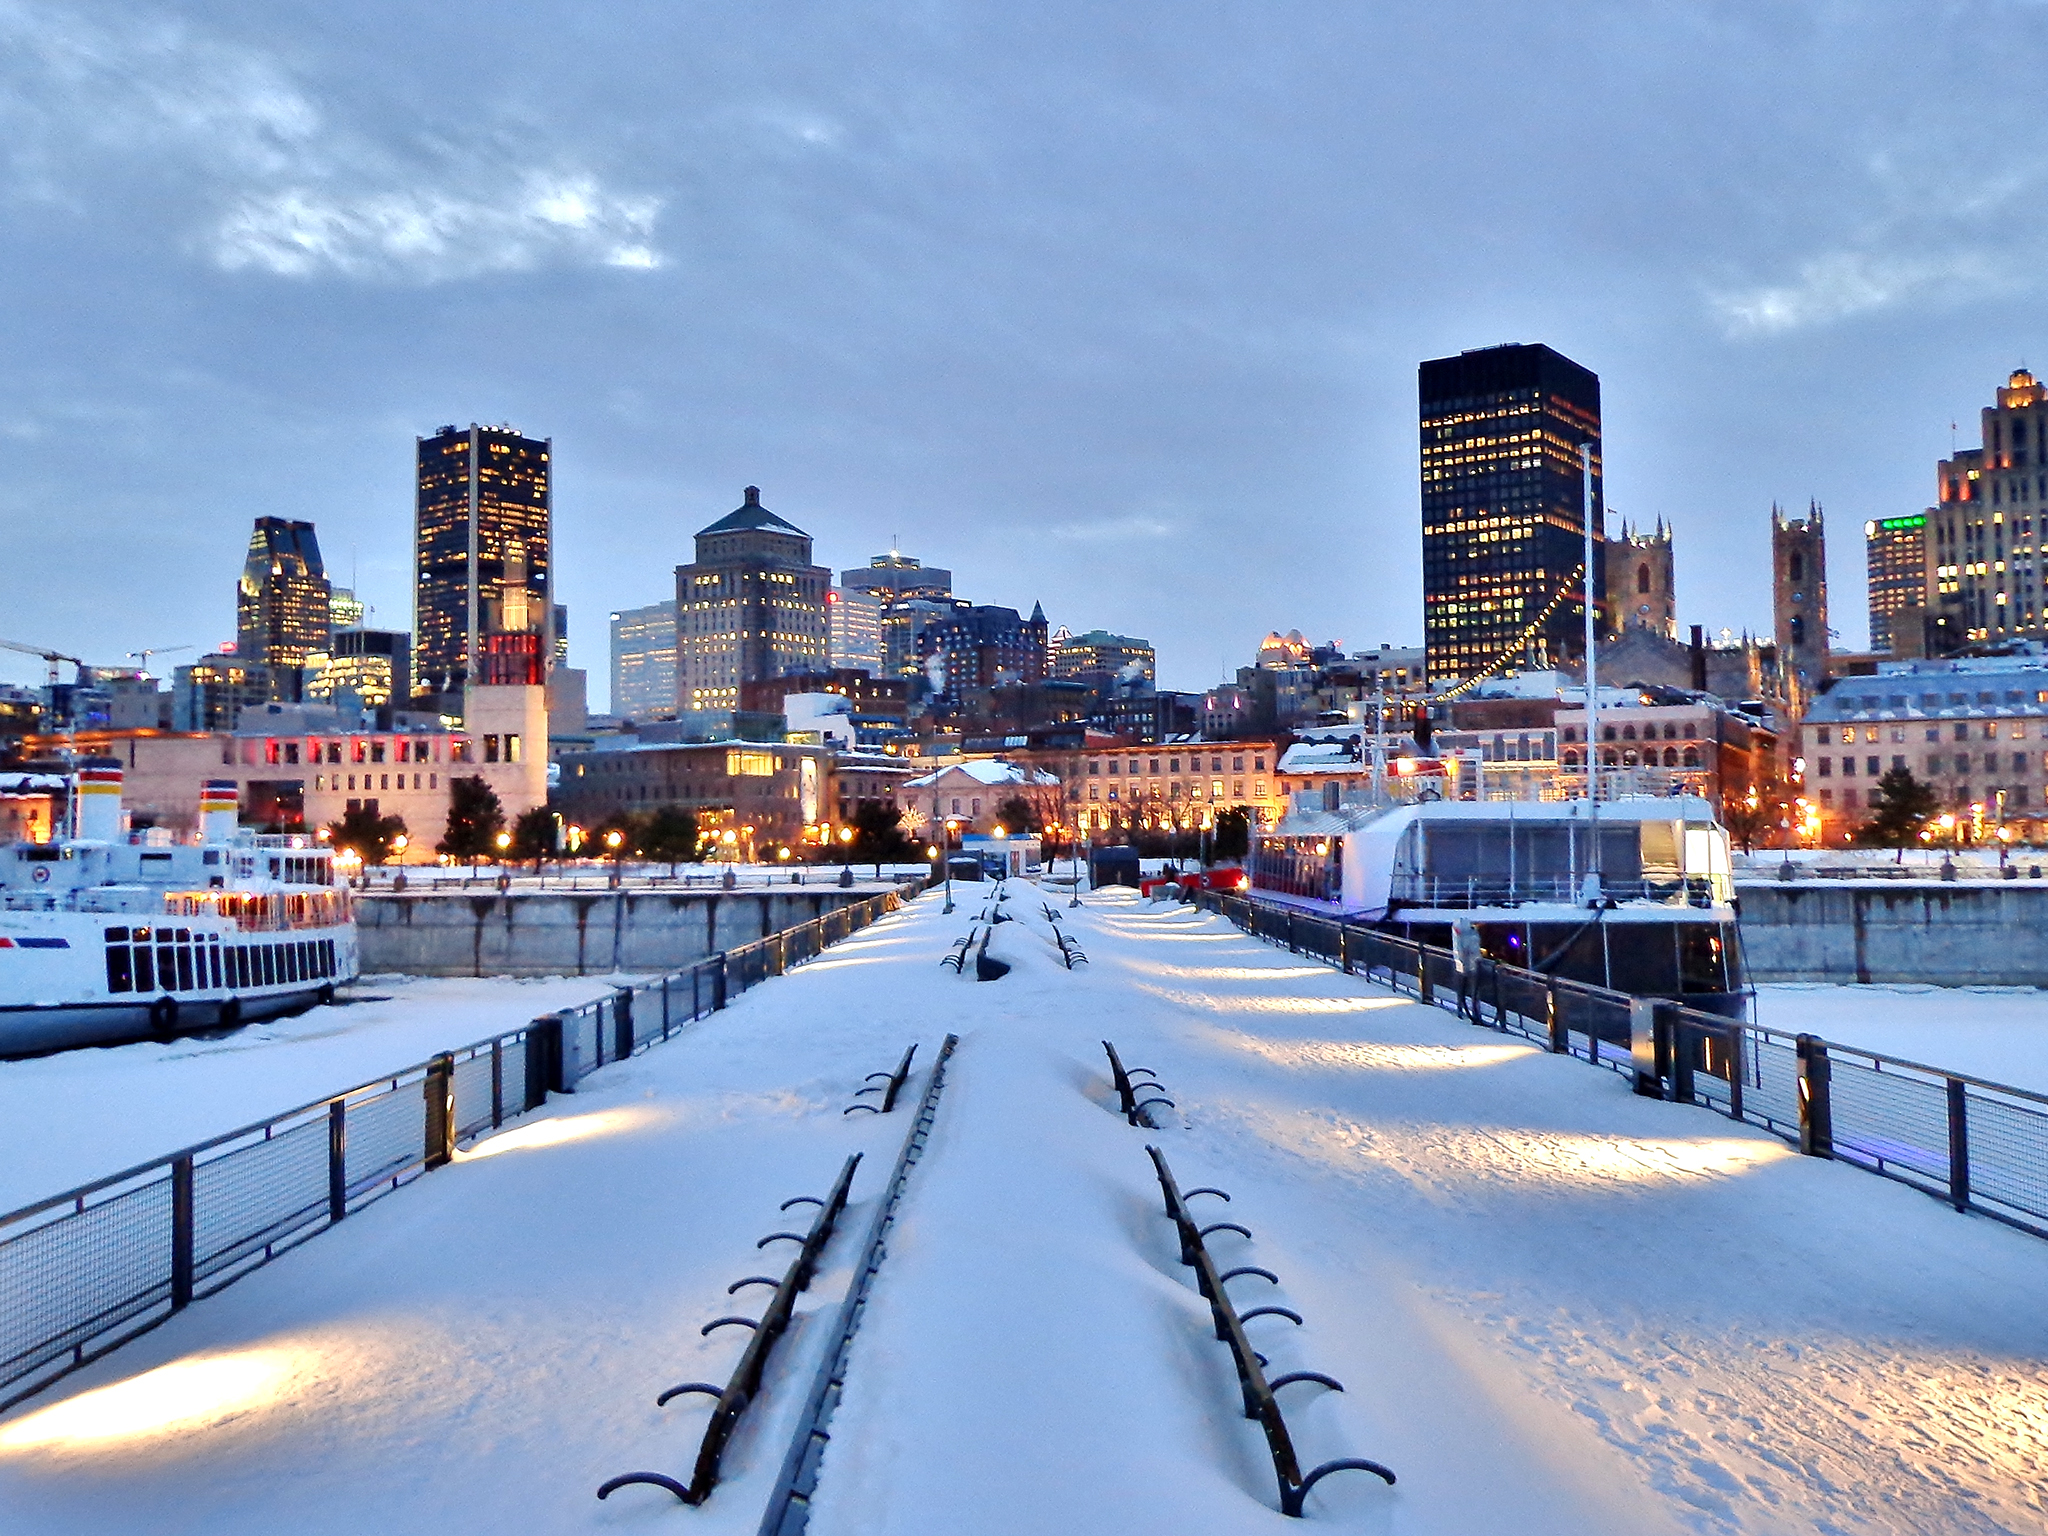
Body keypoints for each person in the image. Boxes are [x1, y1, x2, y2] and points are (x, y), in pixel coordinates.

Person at [1451, 914, 1481, 1019]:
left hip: (1469, 964)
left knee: (1468, 990)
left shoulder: (1468, 933)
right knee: (1467, 990)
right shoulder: (1471, 933)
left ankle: (1472, 1013)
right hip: (1468, 965)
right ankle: (1472, 1012)